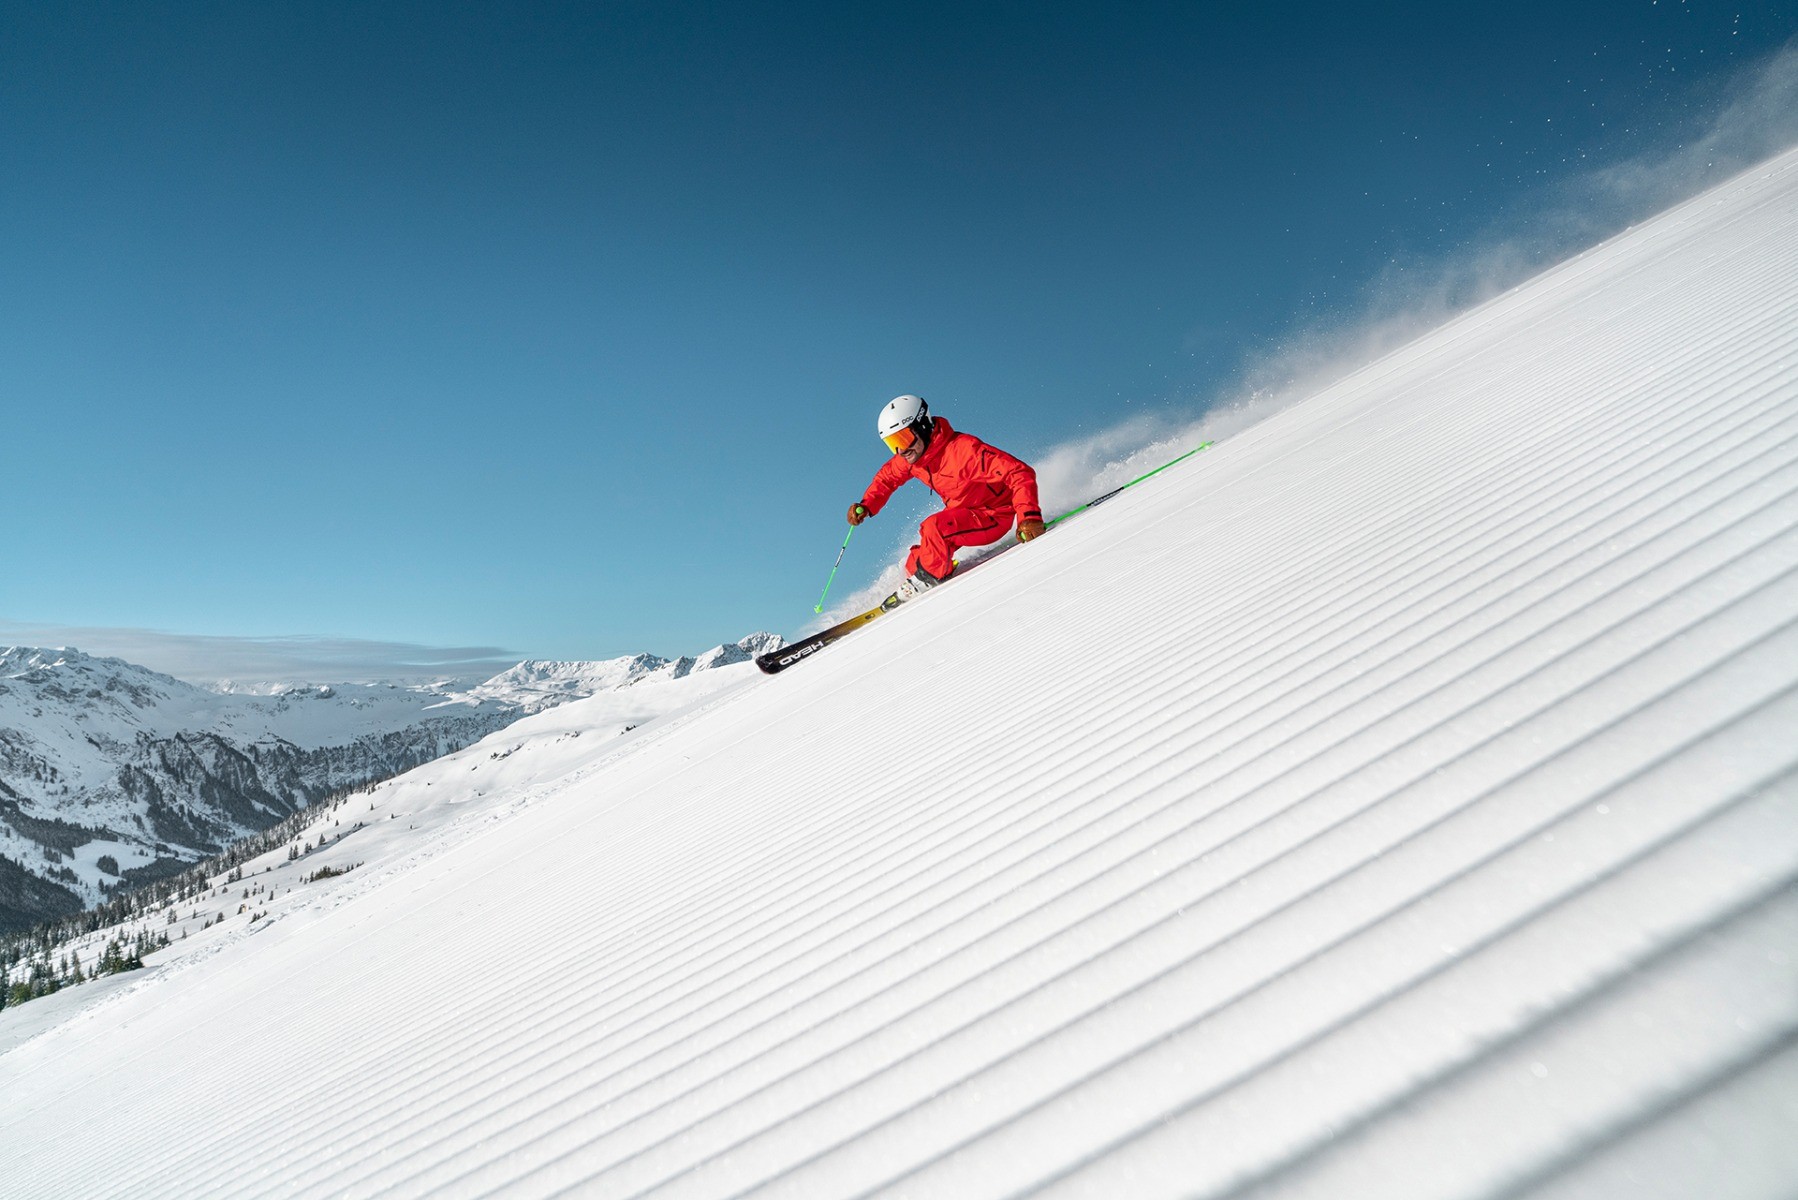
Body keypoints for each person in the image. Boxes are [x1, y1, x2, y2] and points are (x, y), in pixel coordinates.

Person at [847, 394, 1046, 592]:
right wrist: (866, 505)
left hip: (993, 515)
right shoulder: (914, 457)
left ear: (922, 426)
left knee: (935, 528)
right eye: (892, 444)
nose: (900, 451)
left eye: (903, 438)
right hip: (962, 514)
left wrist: (1028, 517)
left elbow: (1018, 472)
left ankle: (930, 579)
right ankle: (929, 573)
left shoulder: (964, 451)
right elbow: (887, 478)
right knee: (915, 562)